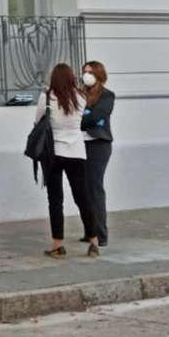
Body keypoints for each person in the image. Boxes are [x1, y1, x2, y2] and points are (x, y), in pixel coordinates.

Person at [36, 63, 99, 259]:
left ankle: (58, 245)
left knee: (55, 200)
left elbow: (38, 121)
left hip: (53, 152)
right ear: (72, 77)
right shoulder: (81, 97)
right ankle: (94, 241)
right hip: (76, 151)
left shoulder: (46, 97)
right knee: (82, 197)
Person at [80, 61, 115, 248]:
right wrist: (83, 118)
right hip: (79, 145)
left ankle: (101, 234)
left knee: (95, 188)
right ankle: (89, 232)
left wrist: (80, 119)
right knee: (83, 190)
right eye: (85, 72)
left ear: (99, 75)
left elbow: (96, 117)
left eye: (91, 72)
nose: (86, 75)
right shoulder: (79, 93)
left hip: (98, 145)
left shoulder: (107, 95)